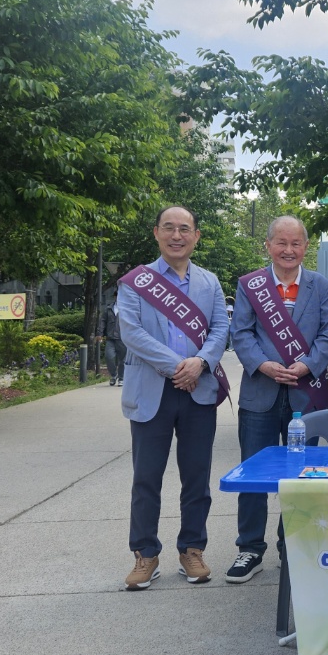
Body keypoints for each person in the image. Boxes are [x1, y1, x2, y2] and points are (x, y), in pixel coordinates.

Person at [117, 205, 230, 590]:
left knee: (196, 478)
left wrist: (200, 363)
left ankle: (192, 549)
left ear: (196, 236)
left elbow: (220, 329)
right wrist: (179, 366)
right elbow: (131, 332)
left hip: (199, 391)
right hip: (152, 392)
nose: (176, 236)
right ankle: (145, 554)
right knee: (146, 478)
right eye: (169, 228)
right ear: (156, 233)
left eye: (184, 229)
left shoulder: (210, 282)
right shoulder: (136, 282)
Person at [226, 215, 328, 583]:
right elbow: (241, 333)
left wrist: (307, 365)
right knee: (254, 476)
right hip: (260, 393)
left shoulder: (321, 286)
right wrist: (264, 365)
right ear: (268, 245)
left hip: (306, 394)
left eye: (296, 243)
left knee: (302, 477)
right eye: (281, 242)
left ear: (306, 247)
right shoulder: (251, 285)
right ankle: (249, 548)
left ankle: (291, 545)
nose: (288, 250)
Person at [99, 296, 125, 386]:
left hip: (122, 338)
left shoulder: (126, 308)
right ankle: (114, 375)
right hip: (110, 338)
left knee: (123, 360)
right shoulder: (108, 309)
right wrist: (100, 334)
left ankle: (121, 378)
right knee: (108, 357)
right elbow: (102, 321)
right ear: (114, 297)